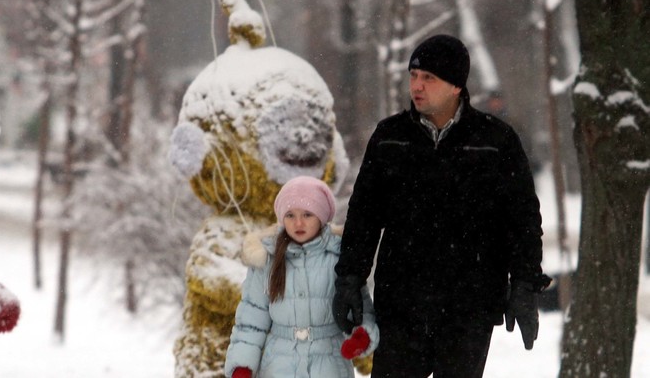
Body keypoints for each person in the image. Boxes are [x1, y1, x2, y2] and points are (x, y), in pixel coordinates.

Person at [332, 34, 551, 377]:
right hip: (401, 304)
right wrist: (349, 277)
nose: (416, 87)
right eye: (413, 76)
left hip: (470, 307)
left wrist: (524, 283)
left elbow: (522, 220)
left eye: (428, 78)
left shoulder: (495, 141)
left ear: (455, 86)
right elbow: (364, 215)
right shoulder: (390, 137)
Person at [225, 176, 379, 378]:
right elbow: (251, 321)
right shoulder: (268, 259)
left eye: (307, 214)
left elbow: (361, 309)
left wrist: (362, 336)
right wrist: (242, 366)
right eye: (290, 215)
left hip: (330, 365)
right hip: (278, 366)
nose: (298, 222)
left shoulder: (340, 258)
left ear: (321, 216)